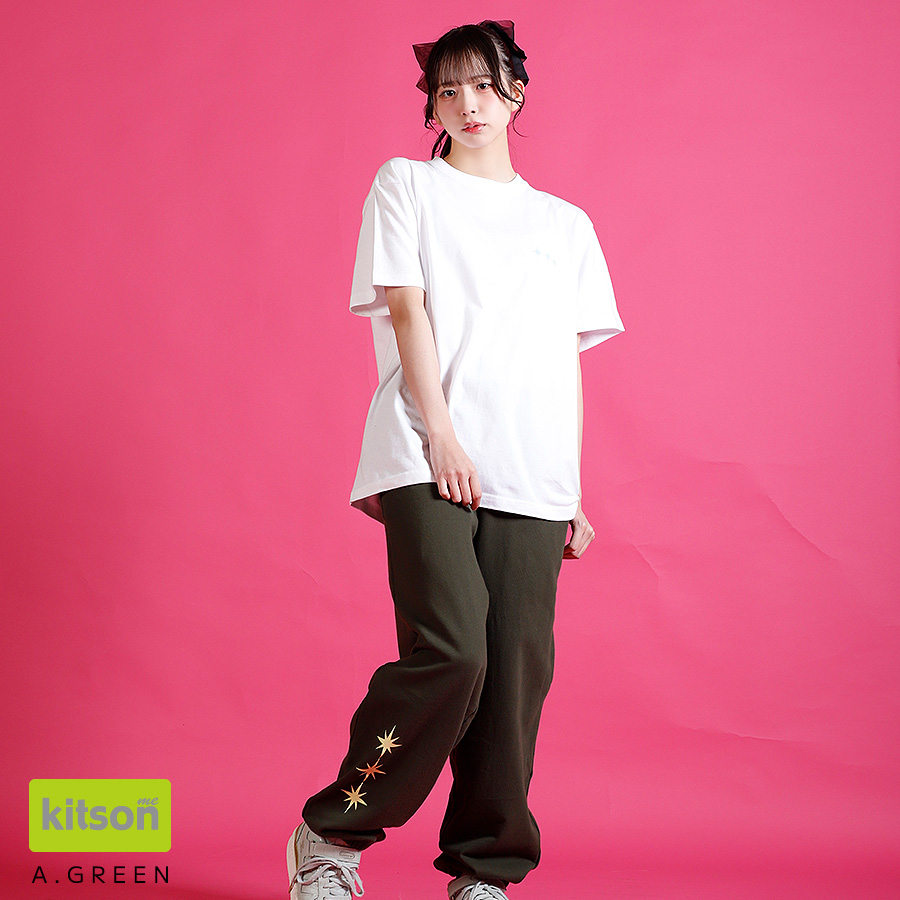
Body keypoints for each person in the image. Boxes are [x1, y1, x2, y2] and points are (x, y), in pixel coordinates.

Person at [287, 19, 624, 900]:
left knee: (514, 675)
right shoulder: (406, 185)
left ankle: (485, 871)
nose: (467, 104)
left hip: (534, 470)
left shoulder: (566, 225)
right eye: (447, 89)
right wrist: (439, 433)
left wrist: (571, 488)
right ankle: (334, 831)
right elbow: (407, 310)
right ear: (431, 105)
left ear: (516, 92)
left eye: (483, 84)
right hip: (424, 445)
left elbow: (563, 363)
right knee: (454, 650)